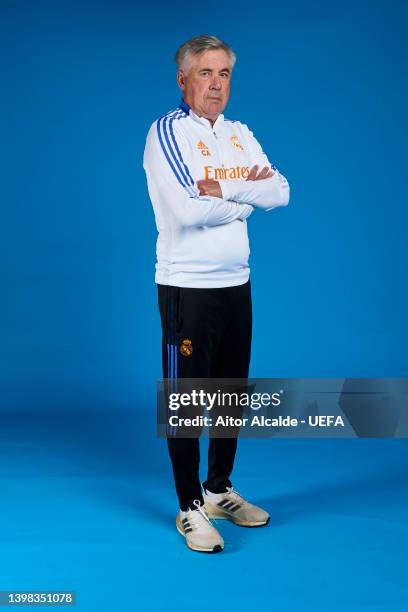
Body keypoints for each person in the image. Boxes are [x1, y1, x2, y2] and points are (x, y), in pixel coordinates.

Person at [143, 34, 290, 553]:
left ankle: (217, 490)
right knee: (187, 402)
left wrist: (224, 190)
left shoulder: (240, 133)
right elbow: (186, 211)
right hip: (188, 286)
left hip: (237, 282)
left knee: (231, 393)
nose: (216, 84)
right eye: (205, 73)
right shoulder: (166, 133)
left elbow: (281, 190)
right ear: (183, 79)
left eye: (224, 73)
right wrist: (247, 197)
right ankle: (188, 508)